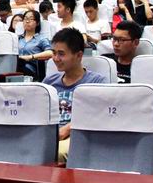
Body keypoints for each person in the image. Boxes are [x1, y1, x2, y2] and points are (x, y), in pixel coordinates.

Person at [42, 28, 107, 162]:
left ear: (78, 55)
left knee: (55, 152)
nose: (56, 59)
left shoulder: (96, 82)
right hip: (49, 133)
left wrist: (68, 128)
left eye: (61, 54)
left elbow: (99, 114)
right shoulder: (49, 82)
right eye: (54, 53)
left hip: (79, 134)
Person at [17, 10, 53, 77]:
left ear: (37, 23)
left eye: (31, 19)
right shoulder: (18, 38)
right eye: (25, 19)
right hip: (16, 66)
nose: (27, 21)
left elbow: (50, 52)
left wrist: (31, 57)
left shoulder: (41, 39)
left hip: (30, 69)